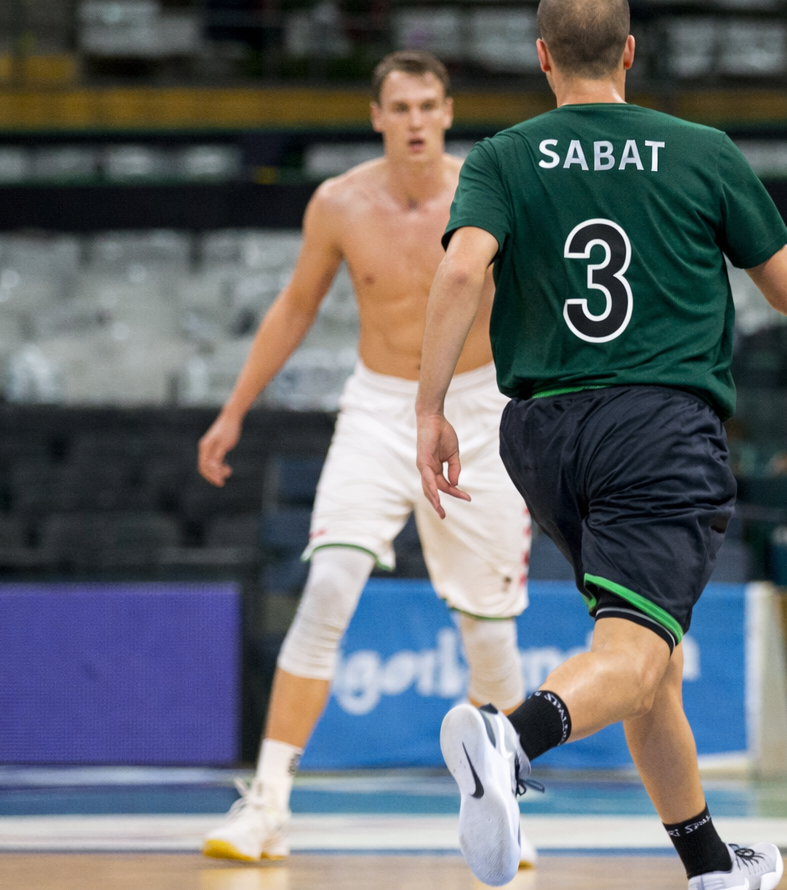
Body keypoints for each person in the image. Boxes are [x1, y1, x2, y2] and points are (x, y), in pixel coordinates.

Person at [414, 0, 787, 889]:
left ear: (542, 60)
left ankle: (708, 862)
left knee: (653, 653)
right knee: (634, 651)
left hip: (539, 435)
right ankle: (509, 735)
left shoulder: (501, 157)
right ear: (630, 52)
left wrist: (429, 408)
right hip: (655, 425)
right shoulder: (701, 152)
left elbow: (459, 277)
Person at [197, 50, 535, 867]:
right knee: (327, 587)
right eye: (401, 107)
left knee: (487, 633)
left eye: (429, 105)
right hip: (381, 410)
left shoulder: (488, 188)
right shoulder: (339, 203)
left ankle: (504, 811)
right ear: (377, 117)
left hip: (481, 411)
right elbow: (294, 308)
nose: (416, 120)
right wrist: (234, 409)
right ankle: (268, 802)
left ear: (448, 113)